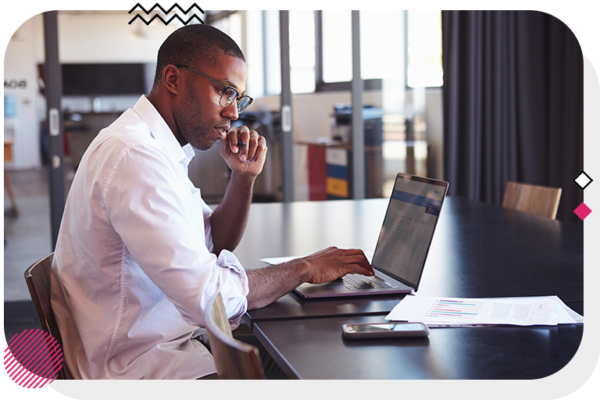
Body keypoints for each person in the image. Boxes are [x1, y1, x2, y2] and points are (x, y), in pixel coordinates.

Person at [50, 24, 373, 379]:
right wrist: (302, 269)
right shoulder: (136, 155)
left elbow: (213, 240)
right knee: (322, 367)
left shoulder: (155, 148)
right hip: (142, 369)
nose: (234, 112)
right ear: (174, 79)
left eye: (240, 98)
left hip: (166, 348)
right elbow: (209, 299)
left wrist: (243, 176)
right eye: (225, 92)